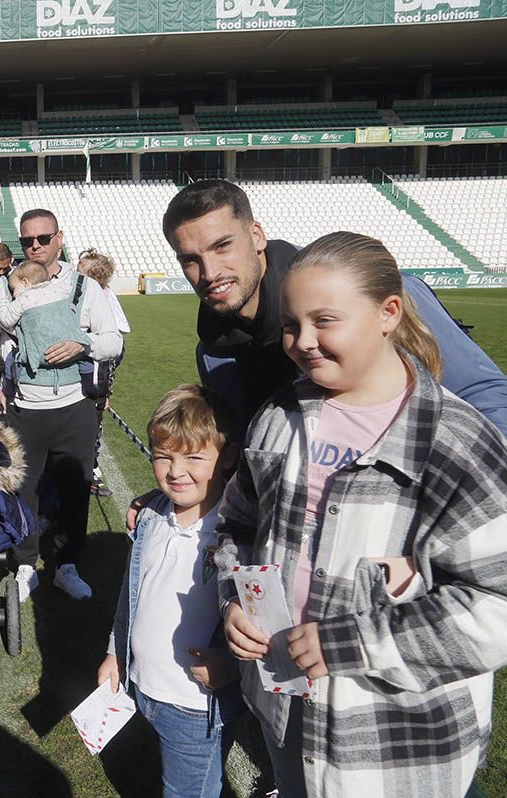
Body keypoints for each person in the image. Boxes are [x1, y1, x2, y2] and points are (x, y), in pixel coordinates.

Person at [216, 231, 507, 798]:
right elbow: (236, 527)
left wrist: (350, 643)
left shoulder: (457, 442)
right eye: (292, 325)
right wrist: (233, 595)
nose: (303, 342)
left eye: (326, 321)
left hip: (400, 743)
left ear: (388, 314)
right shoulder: (277, 418)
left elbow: (497, 607)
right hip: (286, 715)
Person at [161, 178, 507, 437]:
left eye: (222, 246)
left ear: (256, 237)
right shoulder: (213, 352)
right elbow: (245, 450)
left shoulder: (373, 294)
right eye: (190, 260)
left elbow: (485, 395)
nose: (209, 273)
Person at [98, 384, 243, 798]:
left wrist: (233, 666)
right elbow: (132, 594)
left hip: (196, 706)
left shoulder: (238, 536)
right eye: (164, 457)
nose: (176, 471)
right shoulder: (151, 518)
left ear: (228, 457)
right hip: (143, 687)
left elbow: (264, 620)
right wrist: (114, 652)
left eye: (194, 457)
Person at [0, 209, 124, 602]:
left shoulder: (84, 287)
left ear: (60, 237)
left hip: (74, 407)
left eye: (43, 238)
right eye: (27, 241)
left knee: (75, 489)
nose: (35, 246)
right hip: (22, 406)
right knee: (23, 490)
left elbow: (114, 341)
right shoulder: (4, 288)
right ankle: (25, 566)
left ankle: (67, 566)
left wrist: (83, 344)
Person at [77, 248, 130, 496]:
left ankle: (87, 473)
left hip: (94, 375)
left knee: (90, 425)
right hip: (90, 372)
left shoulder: (102, 298)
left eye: (80, 271)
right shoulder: (87, 295)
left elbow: (115, 346)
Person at [0, 260, 91, 395]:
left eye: (14, 289)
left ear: (25, 283)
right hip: (66, 342)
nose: (14, 294)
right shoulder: (59, 290)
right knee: (84, 358)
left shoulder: (25, 298)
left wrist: (3, 303)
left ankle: (9, 388)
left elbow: (6, 319)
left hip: (38, 349)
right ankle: (89, 379)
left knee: (13, 358)